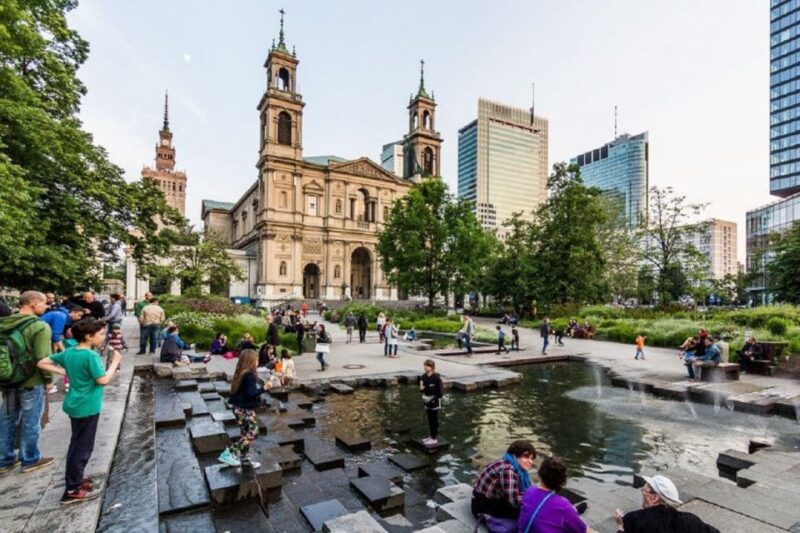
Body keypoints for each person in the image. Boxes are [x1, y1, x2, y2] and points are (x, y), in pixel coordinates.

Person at [36, 318, 121, 503]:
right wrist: (115, 362)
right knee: (82, 448)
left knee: (77, 443)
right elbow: (103, 380)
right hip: (87, 406)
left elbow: (42, 362)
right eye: (100, 334)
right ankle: (72, 490)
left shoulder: (70, 352)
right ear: (89, 337)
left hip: (74, 404)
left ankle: (76, 478)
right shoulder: (90, 356)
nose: (103, 337)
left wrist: (66, 372)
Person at [0, 291, 55, 475]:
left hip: (7, 378)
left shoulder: (5, 322)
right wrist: (48, 380)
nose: (46, 306)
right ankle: (30, 459)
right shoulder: (39, 326)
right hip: (31, 380)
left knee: (7, 418)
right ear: (33, 303)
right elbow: (42, 358)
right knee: (31, 420)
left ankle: (4, 460)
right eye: (44, 303)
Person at [218, 349, 270, 469]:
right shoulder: (250, 375)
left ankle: (244, 459)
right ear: (251, 361)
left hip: (239, 409)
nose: (257, 361)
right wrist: (265, 388)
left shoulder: (241, 373)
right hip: (245, 410)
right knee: (253, 431)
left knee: (244, 434)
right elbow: (251, 394)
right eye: (256, 359)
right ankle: (229, 453)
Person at [614, 475, 720, 533]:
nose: (642, 492)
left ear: (655, 498)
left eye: (644, 490)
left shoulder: (633, 519)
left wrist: (620, 526)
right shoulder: (691, 520)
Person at [471, 440, 537, 522]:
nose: (530, 462)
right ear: (515, 456)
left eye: (531, 458)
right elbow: (515, 502)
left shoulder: (506, 462)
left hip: (481, 501)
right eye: (526, 457)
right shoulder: (508, 470)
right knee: (532, 513)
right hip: (482, 509)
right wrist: (534, 497)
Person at [518, 456, 587, 533]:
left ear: (540, 473)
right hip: (565, 512)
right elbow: (583, 530)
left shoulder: (529, 491)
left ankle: (574, 512)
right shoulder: (563, 505)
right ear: (562, 481)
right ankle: (574, 513)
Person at [419, 359, 443, 446]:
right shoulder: (423, 376)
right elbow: (421, 389)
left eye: (427, 366)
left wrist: (435, 399)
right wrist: (421, 389)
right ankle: (431, 436)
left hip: (434, 400)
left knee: (434, 419)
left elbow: (440, 392)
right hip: (426, 400)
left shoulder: (436, 377)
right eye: (425, 366)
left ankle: (434, 438)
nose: (426, 368)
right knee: (429, 419)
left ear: (432, 367)